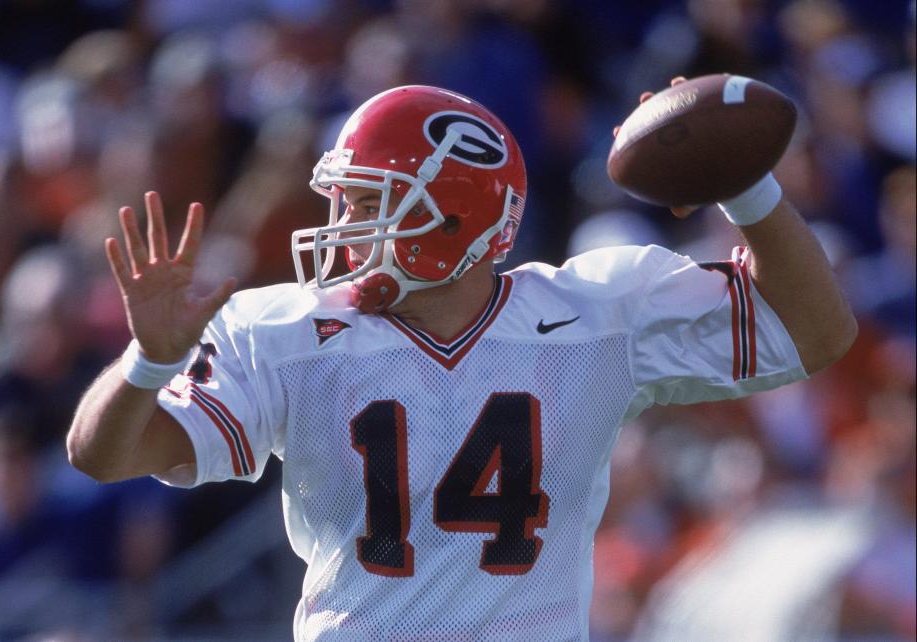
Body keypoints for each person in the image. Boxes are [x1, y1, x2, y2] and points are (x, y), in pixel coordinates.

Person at [67, 82, 857, 640]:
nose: (343, 225)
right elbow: (105, 455)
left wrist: (747, 188)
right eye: (345, 201)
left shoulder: (596, 311)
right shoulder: (283, 330)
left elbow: (815, 333)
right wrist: (146, 360)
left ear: (455, 215)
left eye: (372, 202)